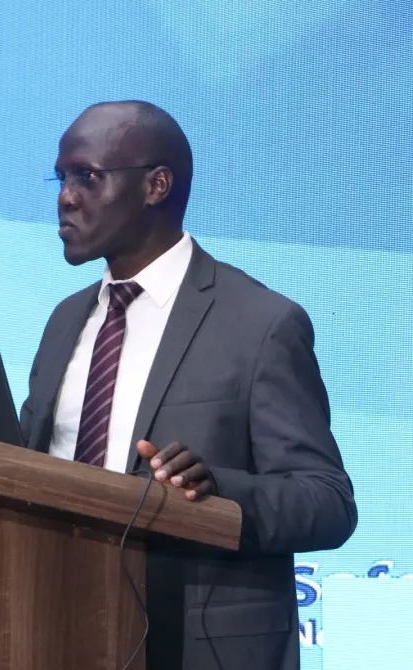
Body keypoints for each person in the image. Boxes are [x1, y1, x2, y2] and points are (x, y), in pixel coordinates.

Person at [19, 100, 356, 669]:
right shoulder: (65, 321)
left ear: (156, 185)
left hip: (196, 648)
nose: (65, 197)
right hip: (52, 628)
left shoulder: (261, 323)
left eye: (87, 177)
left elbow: (327, 502)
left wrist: (219, 490)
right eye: (61, 178)